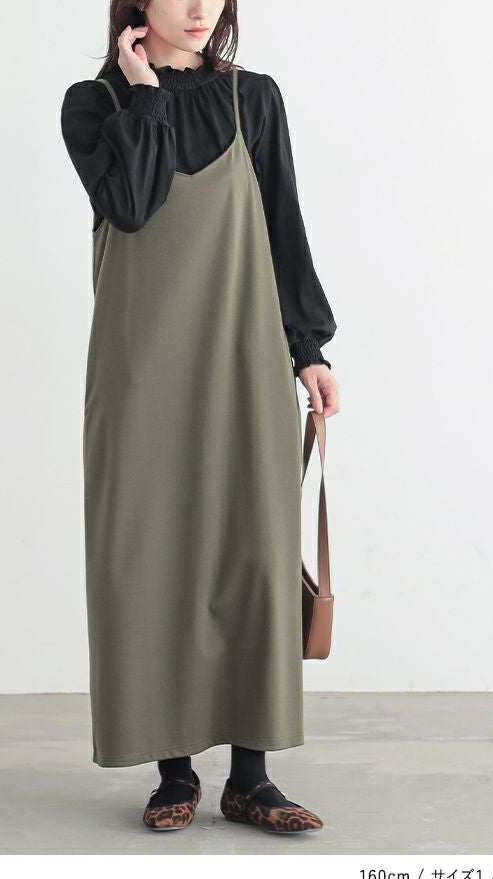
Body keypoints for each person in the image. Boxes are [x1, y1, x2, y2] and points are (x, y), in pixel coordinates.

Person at [60, 0, 340, 834]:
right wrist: (145, 93)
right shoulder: (95, 104)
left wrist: (309, 348)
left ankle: (251, 779)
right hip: (141, 370)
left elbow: (284, 223)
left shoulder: (255, 98)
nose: (197, 8)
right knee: (150, 556)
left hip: (243, 357)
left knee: (254, 552)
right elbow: (133, 203)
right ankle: (172, 771)